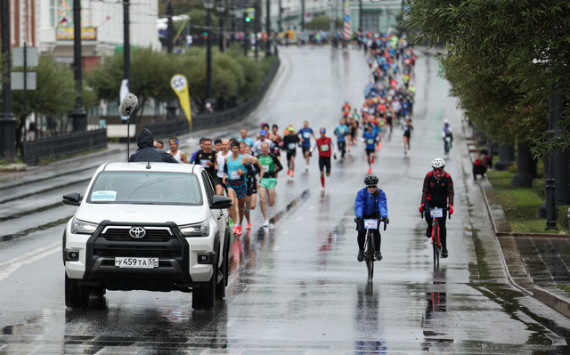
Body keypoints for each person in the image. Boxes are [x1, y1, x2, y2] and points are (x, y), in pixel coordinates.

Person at [223, 141, 264, 237]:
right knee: (232, 203)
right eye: (233, 148)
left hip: (241, 185)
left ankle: (240, 224)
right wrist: (225, 176)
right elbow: (225, 170)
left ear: (239, 149)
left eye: (236, 148)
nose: (234, 150)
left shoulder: (244, 159)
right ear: (231, 149)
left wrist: (243, 173)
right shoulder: (227, 159)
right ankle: (236, 224)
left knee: (241, 207)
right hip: (231, 184)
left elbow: (250, 171)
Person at [419, 158, 454, 258]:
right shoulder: (429, 176)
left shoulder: (447, 177)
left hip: (442, 202)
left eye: (440, 169)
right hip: (431, 200)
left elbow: (450, 192)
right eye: (435, 170)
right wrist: (422, 204)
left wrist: (450, 205)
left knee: (442, 225)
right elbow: (425, 191)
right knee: (427, 212)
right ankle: (430, 227)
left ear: (443, 169)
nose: (437, 172)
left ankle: (444, 248)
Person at [354, 175, 388, 262]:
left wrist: (384, 216)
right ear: (367, 187)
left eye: (374, 187)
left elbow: (382, 205)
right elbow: (359, 206)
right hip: (363, 214)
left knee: (376, 231)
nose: (372, 189)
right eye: (370, 187)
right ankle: (361, 250)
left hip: (374, 213)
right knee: (361, 232)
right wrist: (358, 216)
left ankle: (377, 251)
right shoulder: (361, 193)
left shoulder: (380, 193)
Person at [258, 142, 284, 227]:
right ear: (261, 149)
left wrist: (274, 171)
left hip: (271, 180)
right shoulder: (258, 158)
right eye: (263, 148)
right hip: (262, 180)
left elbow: (281, 167)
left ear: (268, 148)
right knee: (262, 199)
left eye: (266, 148)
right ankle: (266, 219)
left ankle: (271, 200)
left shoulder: (272, 157)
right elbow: (254, 168)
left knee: (271, 203)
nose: (264, 149)